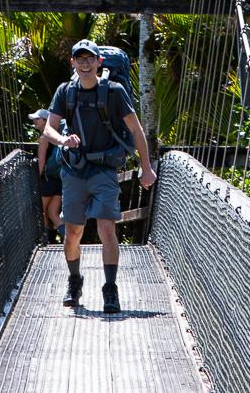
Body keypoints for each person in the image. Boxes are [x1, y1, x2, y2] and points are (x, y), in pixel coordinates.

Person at [43, 39, 156, 313]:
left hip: (104, 170)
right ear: (72, 63)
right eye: (79, 58)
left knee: (107, 228)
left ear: (98, 62)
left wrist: (146, 166)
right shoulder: (65, 92)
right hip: (74, 171)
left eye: (89, 58)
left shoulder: (114, 92)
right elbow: (48, 129)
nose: (84, 63)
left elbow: (136, 129)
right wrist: (62, 141)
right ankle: (74, 281)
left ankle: (110, 289)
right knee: (73, 232)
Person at [29, 108, 65, 243]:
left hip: (48, 180)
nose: (34, 121)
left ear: (45, 121)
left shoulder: (44, 137)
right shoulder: (58, 136)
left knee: (42, 212)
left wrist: (36, 180)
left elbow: (41, 161)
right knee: (53, 213)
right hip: (59, 180)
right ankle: (68, 238)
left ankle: (46, 243)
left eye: (37, 119)